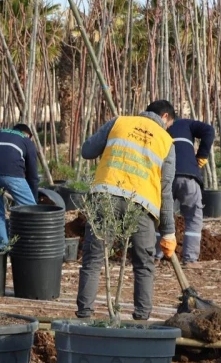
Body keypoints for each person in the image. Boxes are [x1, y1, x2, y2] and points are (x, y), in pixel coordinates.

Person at [75, 100, 178, 321]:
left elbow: (87, 151)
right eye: (169, 124)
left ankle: (84, 316)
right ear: (166, 117)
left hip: (105, 196)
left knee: (93, 259)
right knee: (143, 264)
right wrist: (169, 232)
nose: (167, 128)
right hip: (142, 205)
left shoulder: (118, 122)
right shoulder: (166, 142)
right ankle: (141, 319)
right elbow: (165, 191)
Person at [0, 123, 40, 249]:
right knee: (32, 212)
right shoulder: (26, 140)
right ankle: (34, 248)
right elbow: (33, 175)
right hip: (13, 174)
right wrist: (34, 199)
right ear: (27, 134)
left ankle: (3, 250)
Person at [164, 115, 215, 264]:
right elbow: (209, 130)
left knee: (160, 217)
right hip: (188, 175)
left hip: (165, 177)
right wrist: (202, 156)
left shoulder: (157, 127)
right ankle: (190, 259)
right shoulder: (185, 123)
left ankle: (155, 255)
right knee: (193, 216)